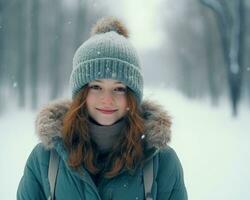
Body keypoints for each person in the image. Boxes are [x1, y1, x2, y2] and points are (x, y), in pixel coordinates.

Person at [17, 17, 188, 200]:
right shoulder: (45, 159)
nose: (107, 99)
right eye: (96, 87)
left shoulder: (162, 163)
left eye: (119, 89)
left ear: (132, 96)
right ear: (81, 93)